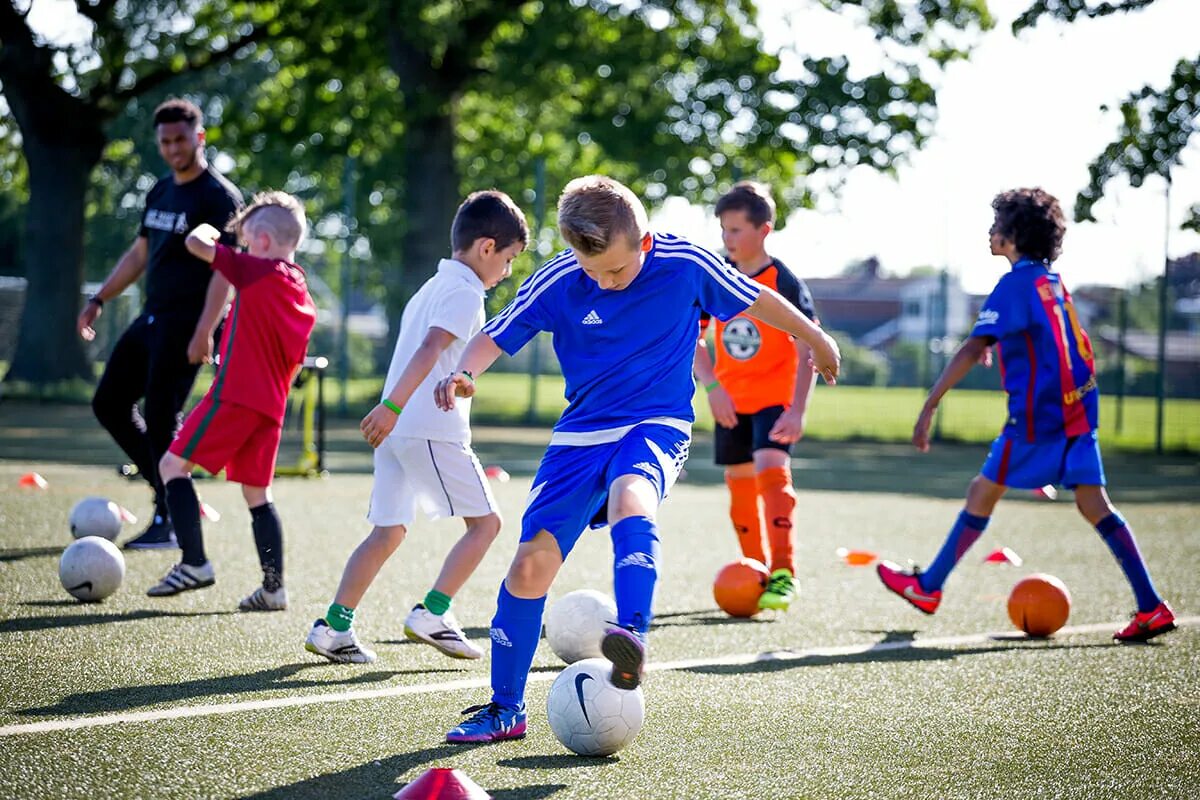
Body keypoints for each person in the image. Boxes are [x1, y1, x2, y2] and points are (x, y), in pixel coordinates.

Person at [435, 175, 841, 743]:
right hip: (579, 435)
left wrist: (817, 340)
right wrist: (463, 373)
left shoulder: (686, 262)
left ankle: (631, 636)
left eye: (618, 271)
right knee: (530, 564)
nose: (605, 282)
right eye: (593, 271)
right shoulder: (559, 277)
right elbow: (497, 335)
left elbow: (761, 300)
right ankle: (505, 709)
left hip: (656, 422)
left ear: (645, 243)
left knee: (632, 496)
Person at [877, 187, 1176, 643]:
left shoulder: (1014, 283)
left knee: (982, 491)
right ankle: (1151, 605)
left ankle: (928, 586)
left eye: (997, 224)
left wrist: (930, 403)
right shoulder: (1050, 281)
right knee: (1094, 504)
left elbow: (973, 344)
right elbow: (1036, 338)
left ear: (1013, 235)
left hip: (1041, 416)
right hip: (1080, 409)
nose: (990, 232)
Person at [304, 190, 529, 664]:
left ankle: (333, 627)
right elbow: (429, 351)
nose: (507, 271)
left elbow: (427, 353)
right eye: (508, 259)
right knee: (486, 524)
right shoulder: (466, 292)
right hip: (427, 427)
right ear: (487, 248)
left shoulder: (431, 286)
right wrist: (391, 406)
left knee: (388, 532)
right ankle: (433, 613)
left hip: (400, 431)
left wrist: (392, 412)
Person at [77, 98, 243, 550]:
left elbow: (225, 270)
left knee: (160, 413)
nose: (172, 149)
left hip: (188, 322)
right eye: (165, 141)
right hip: (152, 317)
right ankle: (174, 496)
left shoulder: (219, 197)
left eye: (180, 140)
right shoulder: (160, 191)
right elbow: (140, 254)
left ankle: (170, 520)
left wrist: (206, 329)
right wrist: (99, 299)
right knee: (109, 403)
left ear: (199, 138)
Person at [145, 191, 316, 611]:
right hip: (270, 407)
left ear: (258, 241)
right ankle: (274, 588)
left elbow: (195, 244)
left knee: (171, 465)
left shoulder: (257, 270)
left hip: (235, 395)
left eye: (243, 238)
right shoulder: (298, 284)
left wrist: (215, 231)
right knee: (258, 494)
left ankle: (194, 562)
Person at [693, 181, 819, 612]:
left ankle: (784, 573)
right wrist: (713, 391)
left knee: (771, 471)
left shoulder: (781, 280)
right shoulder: (718, 280)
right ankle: (756, 569)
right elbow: (696, 339)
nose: (727, 240)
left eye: (735, 231)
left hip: (775, 400)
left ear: (763, 230)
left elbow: (809, 344)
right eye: (723, 231)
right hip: (731, 402)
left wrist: (798, 409)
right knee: (739, 488)